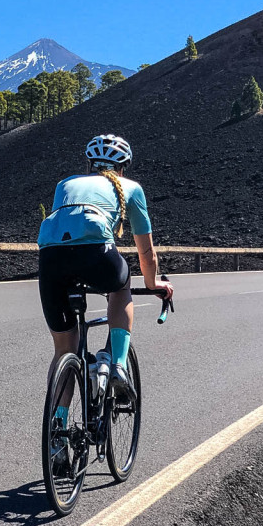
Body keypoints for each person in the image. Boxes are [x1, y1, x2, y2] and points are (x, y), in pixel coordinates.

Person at [37, 134, 173, 445]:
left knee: (64, 352)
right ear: (124, 166)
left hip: (51, 261)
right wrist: (154, 284)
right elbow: (146, 253)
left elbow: (66, 235)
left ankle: (56, 435)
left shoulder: (65, 184)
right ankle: (119, 367)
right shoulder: (132, 189)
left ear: (88, 165)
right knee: (120, 285)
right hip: (97, 254)